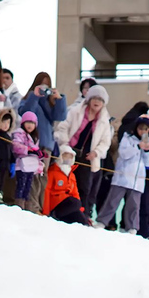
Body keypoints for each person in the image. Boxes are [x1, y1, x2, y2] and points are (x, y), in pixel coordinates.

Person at [54, 84, 111, 217]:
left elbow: (105, 142)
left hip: (87, 158)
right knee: (65, 182)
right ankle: (61, 211)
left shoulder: (104, 120)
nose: (97, 102)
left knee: (85, 188)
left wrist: (96, 153)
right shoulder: (75, 111)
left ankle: (84, 215)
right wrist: (66, 145)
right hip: (69, 152)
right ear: (89, 99)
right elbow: (62, 127)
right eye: (94, 98)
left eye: (100, 99)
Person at [93, 116, 149, 234]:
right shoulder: (127, 138)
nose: (143, 131)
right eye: (141, 128)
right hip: (123, 176)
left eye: (146, 129)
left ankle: (132, 227)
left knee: (134, 206)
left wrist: (146, 151)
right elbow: (124, 154)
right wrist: (137, 147)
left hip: (137, 180)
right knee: (112, 201)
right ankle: (102, 221)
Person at [18, 72, 68, 213]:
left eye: (47, 85)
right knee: (32, 174)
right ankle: (32, 206)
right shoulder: (29, 98)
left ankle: (40, 206)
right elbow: (26, 112)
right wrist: (35, 95)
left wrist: (59, 99)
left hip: (47, 144)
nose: (44, 88)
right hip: (33, 142)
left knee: (43, 175)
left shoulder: (49, 102)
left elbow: (60, 116)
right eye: (42, 84)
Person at [43, 146, 88, 225]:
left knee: (82, 220)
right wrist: (46, 211)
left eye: (70, 157)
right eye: (65, 156)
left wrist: (79, 209)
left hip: (70, 204)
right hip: (56, 203)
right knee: (75, 202)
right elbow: (47, 191)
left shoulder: (71, 175)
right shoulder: (52, 172)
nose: (68, 159)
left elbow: (75, 193)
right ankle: (55, 215)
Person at [12, 111, 44, 210]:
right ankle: (19, 204)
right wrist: (30, 150)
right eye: (28, 122)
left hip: (31, 165)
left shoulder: (35, 137)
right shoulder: (19, 133)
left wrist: (40, 155)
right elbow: (16, 146)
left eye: (32, 123)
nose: (30, 125)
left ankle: (27, 205)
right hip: (21, 164)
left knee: (28, 186)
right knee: (21, 185)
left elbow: (36, 149)